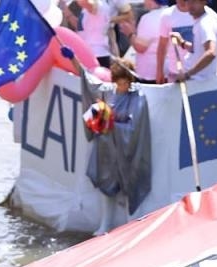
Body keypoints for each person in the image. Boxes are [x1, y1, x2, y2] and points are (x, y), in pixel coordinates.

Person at [65, 52, 152, 234]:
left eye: (126, 83)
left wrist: (113, 123)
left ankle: (131, 220)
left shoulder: (137, 97)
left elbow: (135, 126)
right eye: (120, 82)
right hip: (106, 149)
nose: (123, 86)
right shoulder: (106, 92)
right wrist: (73, 57)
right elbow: (86, 78)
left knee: (131, 183)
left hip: (127, 150)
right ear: (114, 81)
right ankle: (105, 222)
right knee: (105, 183)